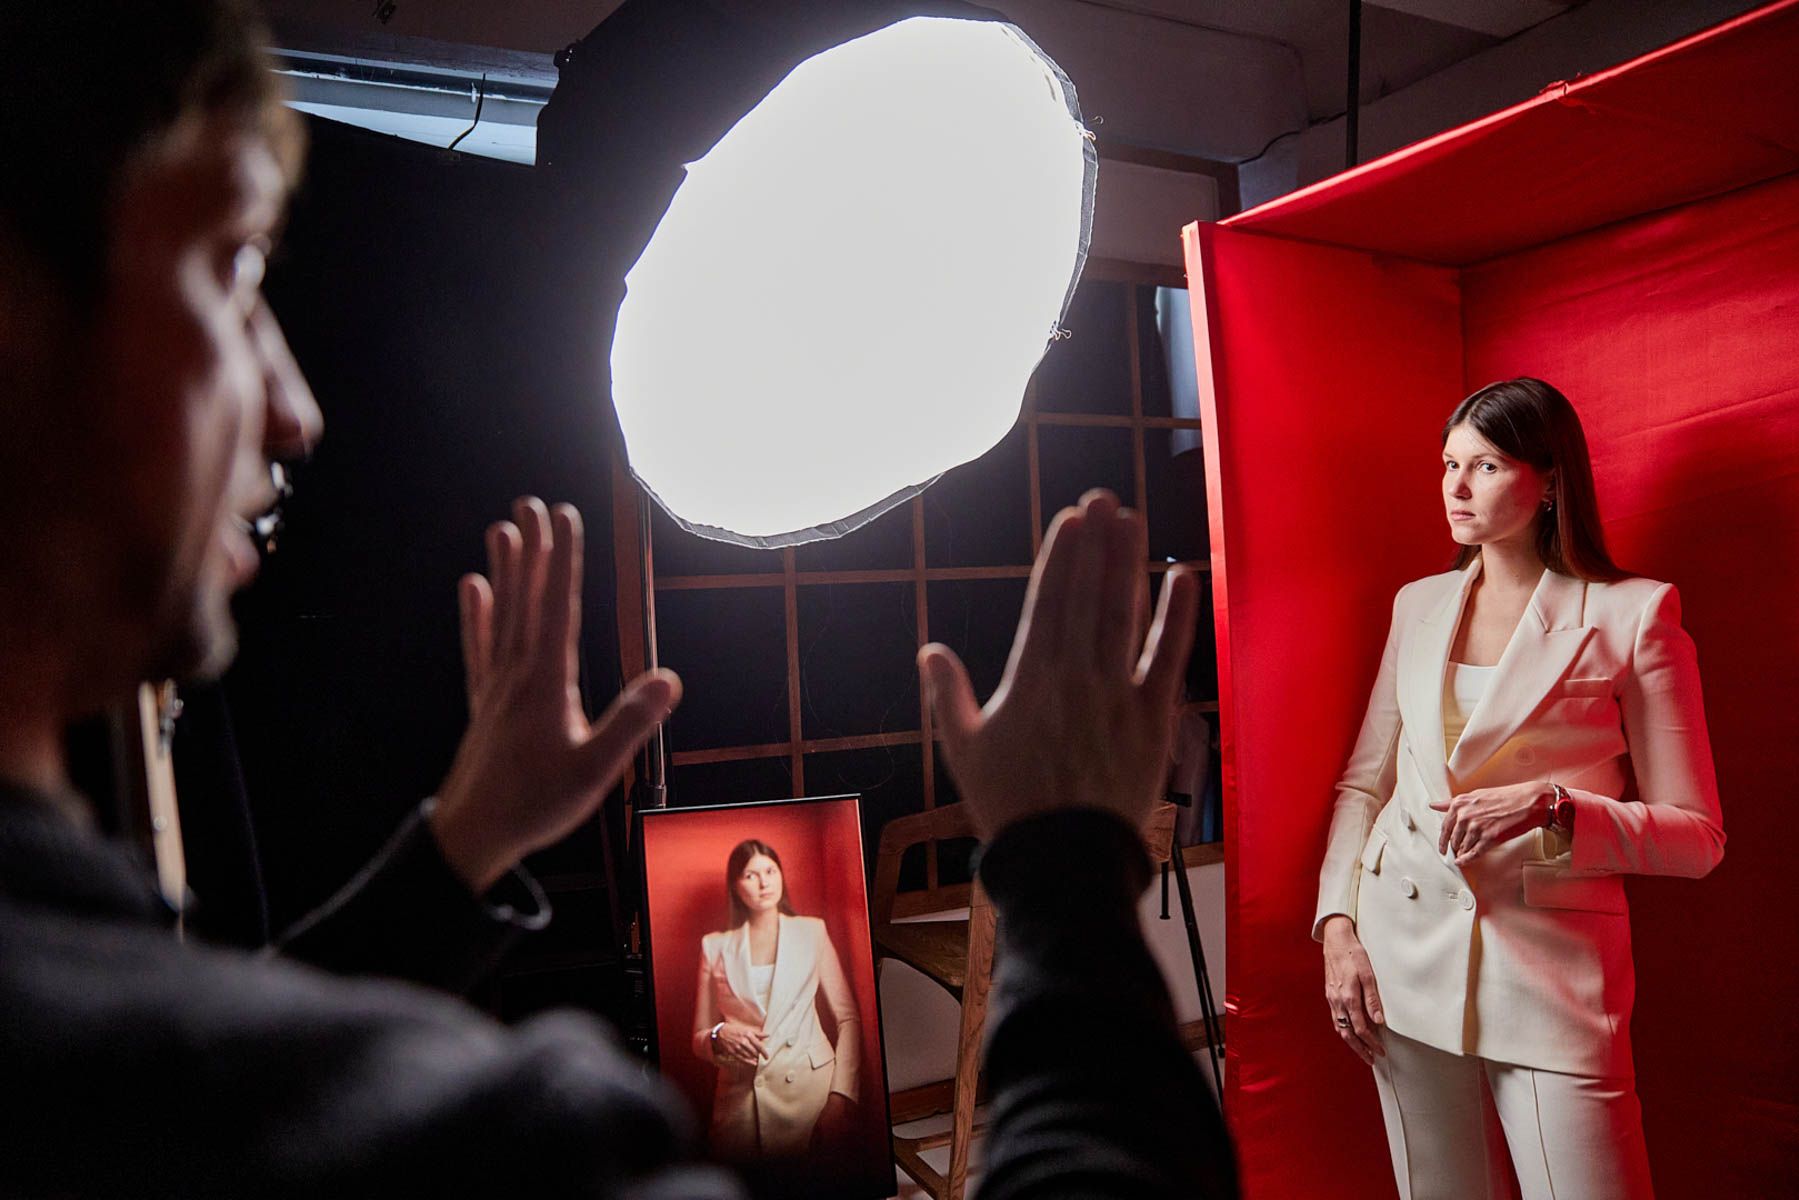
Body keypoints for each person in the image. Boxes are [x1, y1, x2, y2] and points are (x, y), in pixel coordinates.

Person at [0, 5, 1237, 1194]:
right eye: (232, 269)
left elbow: (218, 1106)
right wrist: (1069, 877)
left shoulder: (87, 1052)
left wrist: (462, 843)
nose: (291, 407)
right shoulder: (524, 1139)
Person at [1314, 378, 1726, 1200]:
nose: (1457, 487)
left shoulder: (1634, 615)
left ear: (1550, 482)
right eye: (1449, 464)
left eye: (1488, 465)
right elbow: (1364, 784)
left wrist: (1553, 806)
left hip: (1551, 973)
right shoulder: (1418, 605)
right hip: (1400, 954)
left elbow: (1699, 836)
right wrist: (1337, 928)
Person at [691, 840, 860, 1160]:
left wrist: (841, 1097)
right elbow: (699, 1038)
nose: (764, 882)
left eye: (770, 871)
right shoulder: (714, 946)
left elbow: (848, 1018)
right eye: (750, 875)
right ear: (735, 886)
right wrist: (718, 1035)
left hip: (810, 1091)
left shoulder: (812, 931)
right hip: (741, 1099)